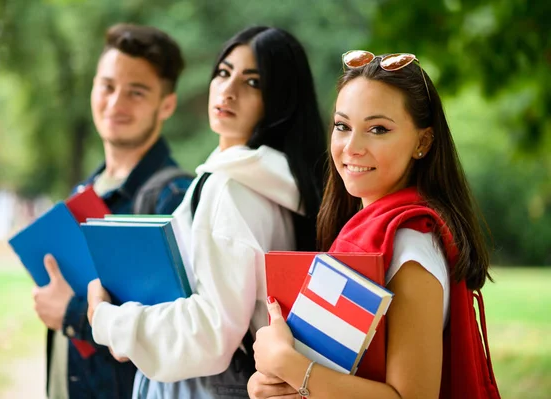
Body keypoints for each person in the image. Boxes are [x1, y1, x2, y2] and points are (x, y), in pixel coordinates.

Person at [86, 26, 327, 398]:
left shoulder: (231, 187)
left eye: (252, 82)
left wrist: (109, 320)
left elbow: (211, 332)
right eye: (224, 72)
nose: (228, 90)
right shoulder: (280, 184)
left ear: (279, 99)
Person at [249, 51, 501, 399]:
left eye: (378, 129)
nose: (352, 147)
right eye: (342, 126)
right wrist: (272, 383)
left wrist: (289, 366)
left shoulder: (411, 246)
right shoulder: (362, 227)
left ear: (423, 142)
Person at [31, 23, 193, 399]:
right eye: (107, 86)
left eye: (136, 92)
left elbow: (176, 337)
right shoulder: (85, 191)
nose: (116, 103)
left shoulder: (173, 197)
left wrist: (70, 315)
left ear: (166, 105)